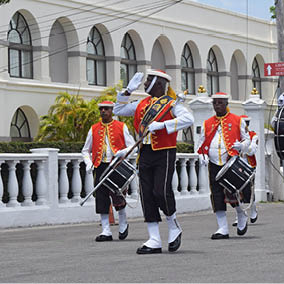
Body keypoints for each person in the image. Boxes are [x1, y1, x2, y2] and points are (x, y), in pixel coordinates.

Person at [114, 70, 194, 254]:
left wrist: (164, 126)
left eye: (149, 79)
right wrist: (127, 91)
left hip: (164, 152)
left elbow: (188, 119)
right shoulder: (141, 104)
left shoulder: (171, 104)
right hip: (145, 152)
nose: (145, 82)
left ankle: (173, 226)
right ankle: (154, 239)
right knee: (146, 194)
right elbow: (118, 110)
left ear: (159, 83)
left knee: (161, 191)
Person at [197, 92, 250, 240]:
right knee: (216, 194)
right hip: (214, 163)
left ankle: (241, 214)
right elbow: (201, 143)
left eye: (220, 102)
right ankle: (222, 228)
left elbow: (247, 140)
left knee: (234, 193)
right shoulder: (207, 123)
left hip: (230, 162)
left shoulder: (238, 120)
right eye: (215, 103)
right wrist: (202, 155)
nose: (217, 105)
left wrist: (241, 146)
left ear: (227, 104)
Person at [82, 101, 135, 242]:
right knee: (101, 197)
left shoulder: (121, 127)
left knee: (118, 195)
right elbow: (85, 150)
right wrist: (88, 163)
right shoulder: (93, 129)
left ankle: (123, 223)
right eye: (101, 109)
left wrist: (122, 153)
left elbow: (132, 147)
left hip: (117, 166)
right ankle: (106, 230)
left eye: (106, 109)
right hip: (100, 166)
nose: (103, 111)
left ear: (112, 110)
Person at [231, 115, 258, 227]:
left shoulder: (253, 136)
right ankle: (240, 216)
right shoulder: (234, 136)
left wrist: (242, 146)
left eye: (246, 123)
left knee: (248, 191)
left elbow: (251, 151)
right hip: (237, 166)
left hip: (249, 166)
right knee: (236, 191)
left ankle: (253, 209)